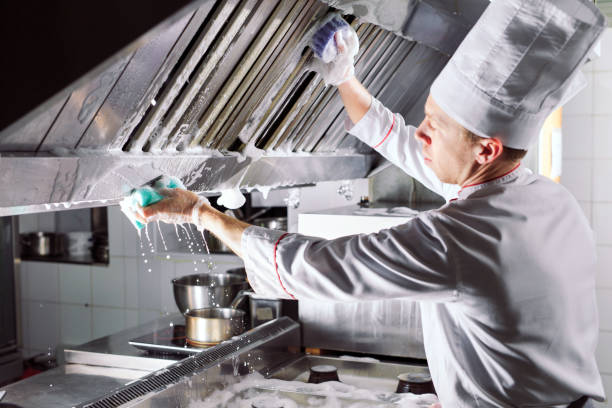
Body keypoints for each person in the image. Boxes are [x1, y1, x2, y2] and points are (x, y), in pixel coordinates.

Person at [126, 0, 607, 406]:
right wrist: (344, 77)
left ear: (486, 150)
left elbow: (314, 266)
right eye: (427, 115)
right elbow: (407, 145)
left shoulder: (462, 236)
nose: (422, 131)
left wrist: (197, 212)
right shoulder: (541, 197)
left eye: (436, 126)